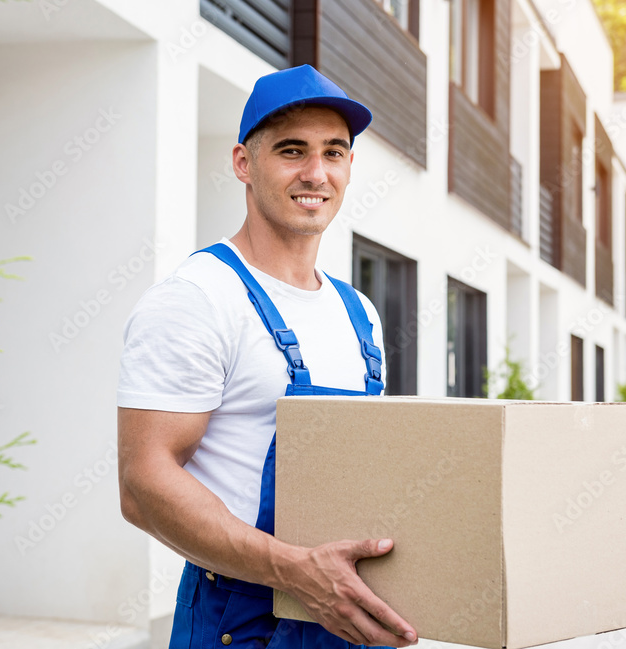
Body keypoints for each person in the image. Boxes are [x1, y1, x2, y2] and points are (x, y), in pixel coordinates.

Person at [116, 64, 418, 649]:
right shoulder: (197, 299)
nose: (316, 172)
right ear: (242, 163)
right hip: (243, 615)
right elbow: (142, 484)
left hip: (348, 609)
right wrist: (293, 571)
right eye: (291, 150)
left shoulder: (361, 315)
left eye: (334, 152)